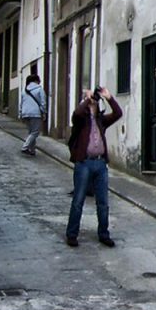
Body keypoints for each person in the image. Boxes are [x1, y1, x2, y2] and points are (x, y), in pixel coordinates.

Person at [65, 86, 122, 248]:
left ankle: (104, 234)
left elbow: (118, 114)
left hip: (100, 164)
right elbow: (76, 114)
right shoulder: (80, 121)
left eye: (95, 103)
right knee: (78, 200)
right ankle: (72, 234)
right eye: (92, 103)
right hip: (84, 163)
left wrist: (109, 98)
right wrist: (86, 100)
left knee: (103, 202)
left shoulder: (101, 121)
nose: (93, 105)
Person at [19, 74, 47, 156]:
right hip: (35, 113)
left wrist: (20, 113)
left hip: (25, 113)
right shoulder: (39, 89)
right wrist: (44, 112)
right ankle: (25, 147)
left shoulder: (24, 90)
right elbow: (43, 102)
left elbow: (21, 103)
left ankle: (32, 150)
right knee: (35, 132)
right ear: (36, 80)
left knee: (31, 132)